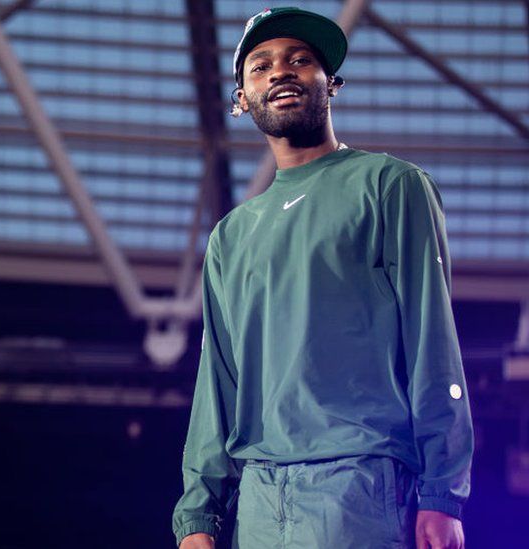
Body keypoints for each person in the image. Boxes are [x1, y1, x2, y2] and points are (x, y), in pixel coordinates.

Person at [173, 7, 472, 549]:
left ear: (330, 83)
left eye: (300, 60)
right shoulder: (230, 236)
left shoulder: (390, 185)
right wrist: (198, 514)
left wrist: (442, 492)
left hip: (362, 485)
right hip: (258, 500)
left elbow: (434, 342)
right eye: (260, 66)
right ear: (241, 100)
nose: (280, 71)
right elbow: (216, 384)